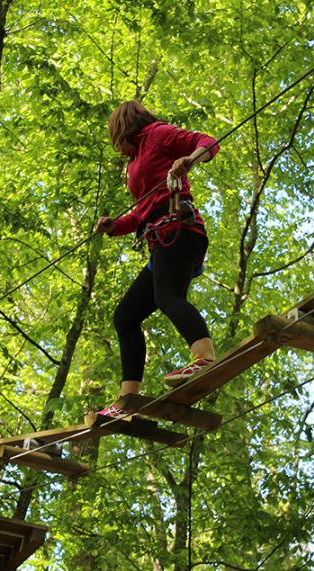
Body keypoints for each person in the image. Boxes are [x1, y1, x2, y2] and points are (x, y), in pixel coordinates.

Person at [95, 100, 219, 417]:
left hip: (180, 230)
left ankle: (204, 357)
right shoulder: (135, 163)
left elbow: (206, 142)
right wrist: (115, 226)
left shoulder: (159, 135)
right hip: (160, 237)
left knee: (168, 297)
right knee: (125, 316)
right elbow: (141, 214)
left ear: (124, 129)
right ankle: (128, 401)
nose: (117, 149)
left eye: (116, 139)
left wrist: (189, 160)